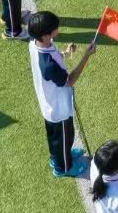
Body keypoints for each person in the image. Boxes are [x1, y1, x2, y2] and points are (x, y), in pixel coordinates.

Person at [27, 11, 97, 178]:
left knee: (56, 138)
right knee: (64, 137)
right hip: (58, 109)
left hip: (49, 104)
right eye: (55, 29)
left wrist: (64, 53)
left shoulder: (35, 43)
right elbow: (70, 80)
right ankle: (63, 167)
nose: (57, 30)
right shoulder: (49, 66)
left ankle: (57, 157)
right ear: (45, 36)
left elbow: (52, 55)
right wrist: (86, 56)